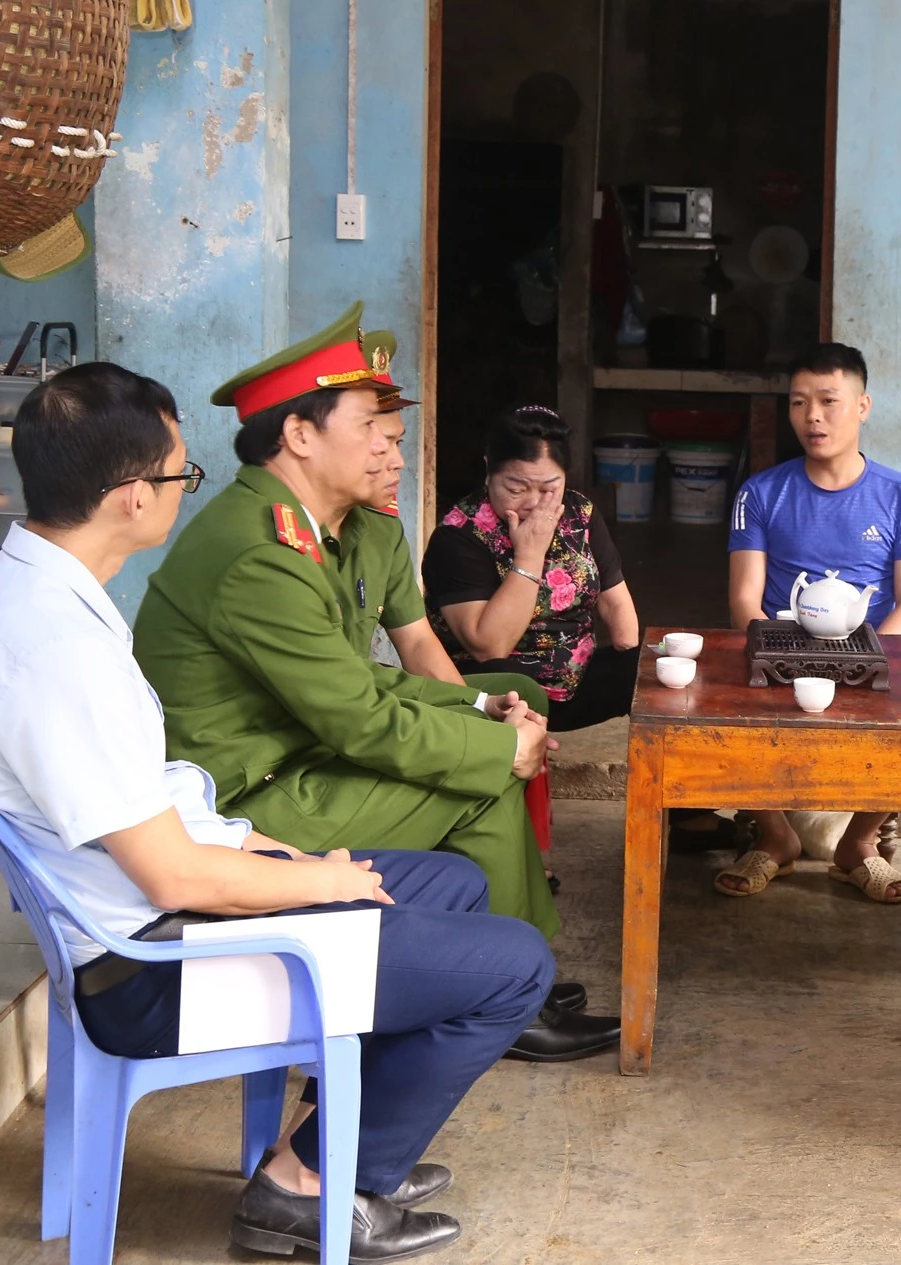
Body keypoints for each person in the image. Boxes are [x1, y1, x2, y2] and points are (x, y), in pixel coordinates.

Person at [0, 362, 554, 1260]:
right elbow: (170, 875)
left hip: (166, 899)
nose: (188, 491)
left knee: (453, 882)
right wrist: (311, 878)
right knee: (514, 967)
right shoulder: (56, 649)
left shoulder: (24, 594)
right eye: (181, 474)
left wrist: (255, 843)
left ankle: (331, 1136)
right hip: (157, 965)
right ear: (131, 496)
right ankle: (301, 1186)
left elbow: (150, 809)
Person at [133, 304, 617, 1061]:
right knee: (483, 774)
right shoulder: (259, 550)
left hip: (300, 757)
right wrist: (501, 749)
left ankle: (514, 974)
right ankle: (510, 987)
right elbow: (360, 717)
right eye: (370, 429)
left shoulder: (340, 528)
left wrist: (483, 709)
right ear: (298, 435)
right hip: (247, 798)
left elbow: (370, 675)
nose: (392, 452)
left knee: (481, 740)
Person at [714, 342, 901, 903]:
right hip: (781, 647)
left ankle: (858, 844)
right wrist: (789, 653)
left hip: (874, 654)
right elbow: (744, 600)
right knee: (723, 708)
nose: (812, 416)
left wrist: (858, 658)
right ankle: (775, 837)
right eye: (798, 403)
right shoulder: (761, 493)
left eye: (829, 401)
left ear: (862, 406)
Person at [423, 405, 641, 732]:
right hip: (503, 696)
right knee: (508, 675)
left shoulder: (580, 513)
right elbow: (488, 646)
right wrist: (529, 555)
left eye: (549, 488)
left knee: (653, 668)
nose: (534, 503)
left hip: (576, 682)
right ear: (488, 471)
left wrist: (632, 660)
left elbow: (614, 599)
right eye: (517, 489)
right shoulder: (458, 537)